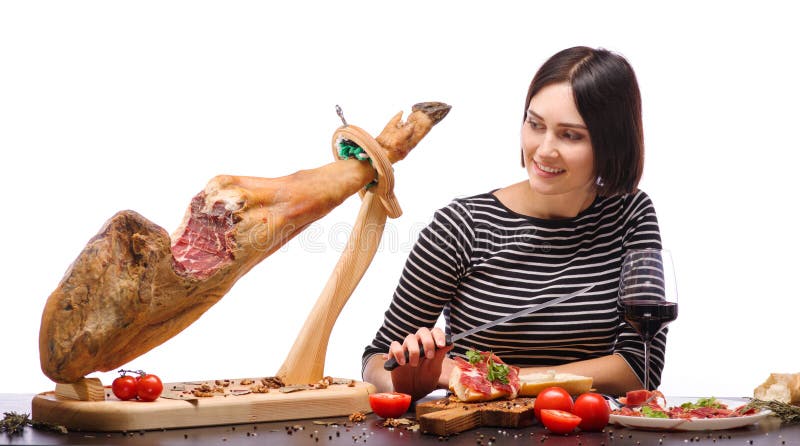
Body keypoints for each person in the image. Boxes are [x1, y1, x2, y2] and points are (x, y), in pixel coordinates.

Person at [361, 46, 665, 401]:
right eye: (535, 125)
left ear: (612, 143)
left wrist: (497, 378)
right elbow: (376, 360)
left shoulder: (631, 214)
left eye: (571, 135)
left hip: (586, 432)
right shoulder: (462, 226)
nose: (543, 150)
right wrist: (408, 379)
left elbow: (639, 365)